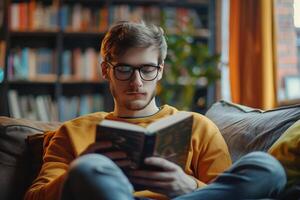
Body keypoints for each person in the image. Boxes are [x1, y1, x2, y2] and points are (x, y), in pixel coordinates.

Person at [24, 21, 286, 200]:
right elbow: (34, 197)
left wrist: (187, 186)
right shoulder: (72, 132)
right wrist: (78, 170)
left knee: (266, 168)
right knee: (89, 168)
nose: (136, 82)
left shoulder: (197, 125)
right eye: (124, 69)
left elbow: (224, 191)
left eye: (147, 69)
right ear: (106, 70)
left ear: (160, 70)